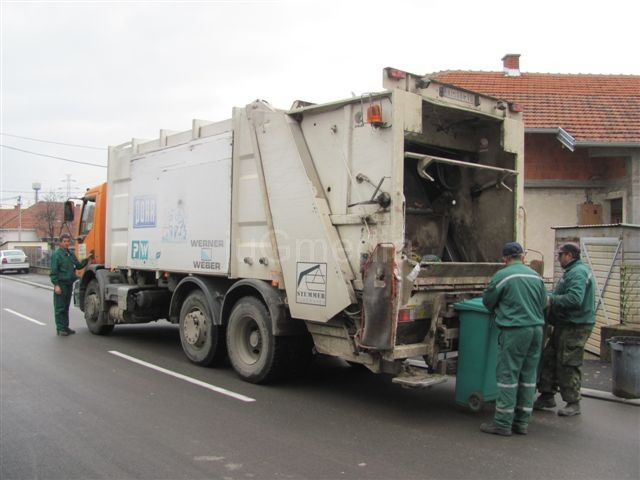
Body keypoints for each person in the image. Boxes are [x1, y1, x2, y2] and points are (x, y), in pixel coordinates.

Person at [480, 242, 547, 436]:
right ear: (523, 257)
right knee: (528, 376)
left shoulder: (503, 275)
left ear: (505, 259)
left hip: (516, 331)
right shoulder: (535, 275)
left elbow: (488, 301)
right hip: (536, 330)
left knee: (508, 376)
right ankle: (521, 423)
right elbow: (544, 302)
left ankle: (502, 423)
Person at [534, 242, 595, 416]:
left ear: (569, 255)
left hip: (575, 326)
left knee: (568, 362)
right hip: (564, 324)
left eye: (560, 255)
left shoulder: (578, 273)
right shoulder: (571, 272)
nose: (558, 258)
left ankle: (573, 403)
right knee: (549, 358)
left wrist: (552, 300)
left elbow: (575, 299)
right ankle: (547, 396)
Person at [50, 234, 92, 336]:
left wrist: (87, 259)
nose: (66, 243)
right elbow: (54, 271)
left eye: (68, 241)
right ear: (60, 242)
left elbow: (78, 266)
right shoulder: (57, 255)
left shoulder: (70, 254)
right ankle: (60, 328)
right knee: (59, 308)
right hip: (61, 284)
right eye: (64, 241)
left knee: (66, 307)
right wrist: (56, 285)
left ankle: (65, 327)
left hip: (69, 284)